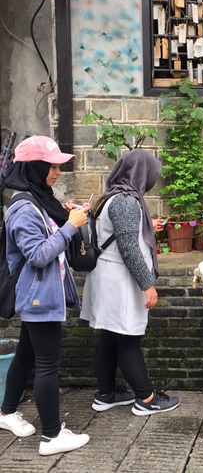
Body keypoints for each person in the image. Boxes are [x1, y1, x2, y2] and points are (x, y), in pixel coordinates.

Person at [0, 136, 90, 455]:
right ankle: (51, 436)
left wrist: (65, 217)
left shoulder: (37, 201)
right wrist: (69, 227)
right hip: (38, 296)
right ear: (33, 168)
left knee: (26, 355)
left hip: (39, 292)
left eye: (57, 166)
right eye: (51, 166)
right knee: (48, 365)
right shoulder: (24, 208)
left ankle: (6, 412)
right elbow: (38, 255)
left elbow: (46, 236)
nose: (57, 172)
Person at [81, 150, 180, 416]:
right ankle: (146, 399)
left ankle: (106, 394)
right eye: (151, 176)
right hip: (120, 282)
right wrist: (147, 284)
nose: (152, 182)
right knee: (127, 338)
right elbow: (128, 247)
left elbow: (125, 233)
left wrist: (148, 225)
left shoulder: (114, 196)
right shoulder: (126, 201)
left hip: (110, 278)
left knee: (109, 336)